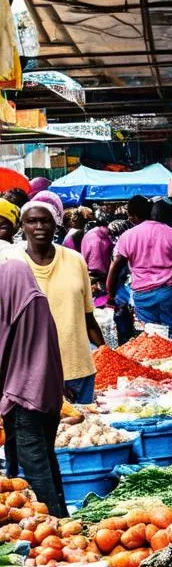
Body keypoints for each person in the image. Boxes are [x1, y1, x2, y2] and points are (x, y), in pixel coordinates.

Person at [0, 256, 68, 517]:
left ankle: (51, 521)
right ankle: (61, 515)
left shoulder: (15, 306)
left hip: (21, 396)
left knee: (34, 464)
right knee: (46, 458)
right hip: (46, 395)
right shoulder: (37, 301)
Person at [19, 197, 103, 405]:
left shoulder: (75, 260)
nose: (39, 226)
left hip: (78, 369)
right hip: (32, 375)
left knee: (82, 435)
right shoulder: (10, 263)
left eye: (45, 220)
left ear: (56, 223)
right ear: (22, 226)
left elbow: (87, 316)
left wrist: (106, 353)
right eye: (32, 221)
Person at [107, 195, 172, 342]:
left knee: (151, 340)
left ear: (132, 216)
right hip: (168, 294)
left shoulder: (128, 236)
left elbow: (115, 266)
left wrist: (111, 294)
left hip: (142, 296)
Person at [81, 215, 114, 285]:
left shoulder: (88, 235)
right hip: (102, 272)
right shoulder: (107, 236)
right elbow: (110, 252)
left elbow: (84, 251)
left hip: (89, 270)